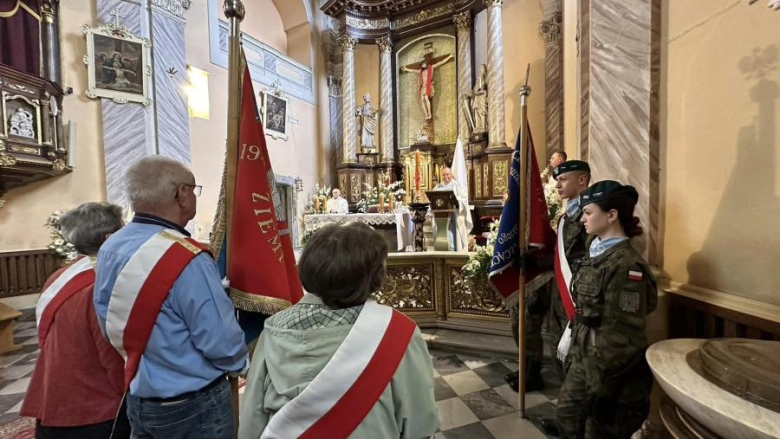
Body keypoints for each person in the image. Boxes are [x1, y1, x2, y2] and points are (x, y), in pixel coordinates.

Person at [94, 156, 248, 439]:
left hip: (140, 397)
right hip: (193, 405)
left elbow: (108, 320)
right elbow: (219, 339)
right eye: (194, 189)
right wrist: (242, 363)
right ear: (182, 194)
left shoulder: (111, 246)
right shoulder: (186, 257)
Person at [238, 222, 439, 438]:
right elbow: (420, 423)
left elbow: (252, 420)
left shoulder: (273, 330)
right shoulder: (398, 333)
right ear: (374, 278)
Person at [555, 180, 657, 439]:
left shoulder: (625, 266)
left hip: (609, 370)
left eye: (588, 213)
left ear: (611, 215)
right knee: (567, 416)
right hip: (585, 356)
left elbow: (622, 333)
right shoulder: (596, 251)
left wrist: (604, 384)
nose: (583, 219)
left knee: (597, 430)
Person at [21, 203, 130, 439]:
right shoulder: (102, 285)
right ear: (109, 237)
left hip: (53, 394)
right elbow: (111, 354)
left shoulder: (60, 276)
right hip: (93, 406)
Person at [505, 160, 592, 396]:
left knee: (570, 352)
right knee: (558, 347)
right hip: (558, 289)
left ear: (582, 180)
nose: (557, 186)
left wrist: (545, 263)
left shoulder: (589, 215)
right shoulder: (568, 214)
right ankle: (567, 410)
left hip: (575, 294)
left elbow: (584, 257)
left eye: (563, 180)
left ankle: (573, 414)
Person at [432, 166, 472, 251]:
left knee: (453, 233)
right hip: (441, 216)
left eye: (448, 174)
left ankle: (453, 248)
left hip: (454, 214)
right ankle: (443, 248)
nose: (446, 176)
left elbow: (463, 198)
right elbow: (432, 199)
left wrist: (457, 203)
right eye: (443, 175)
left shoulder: (458, 186)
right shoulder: (437, 187)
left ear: (451, 174)